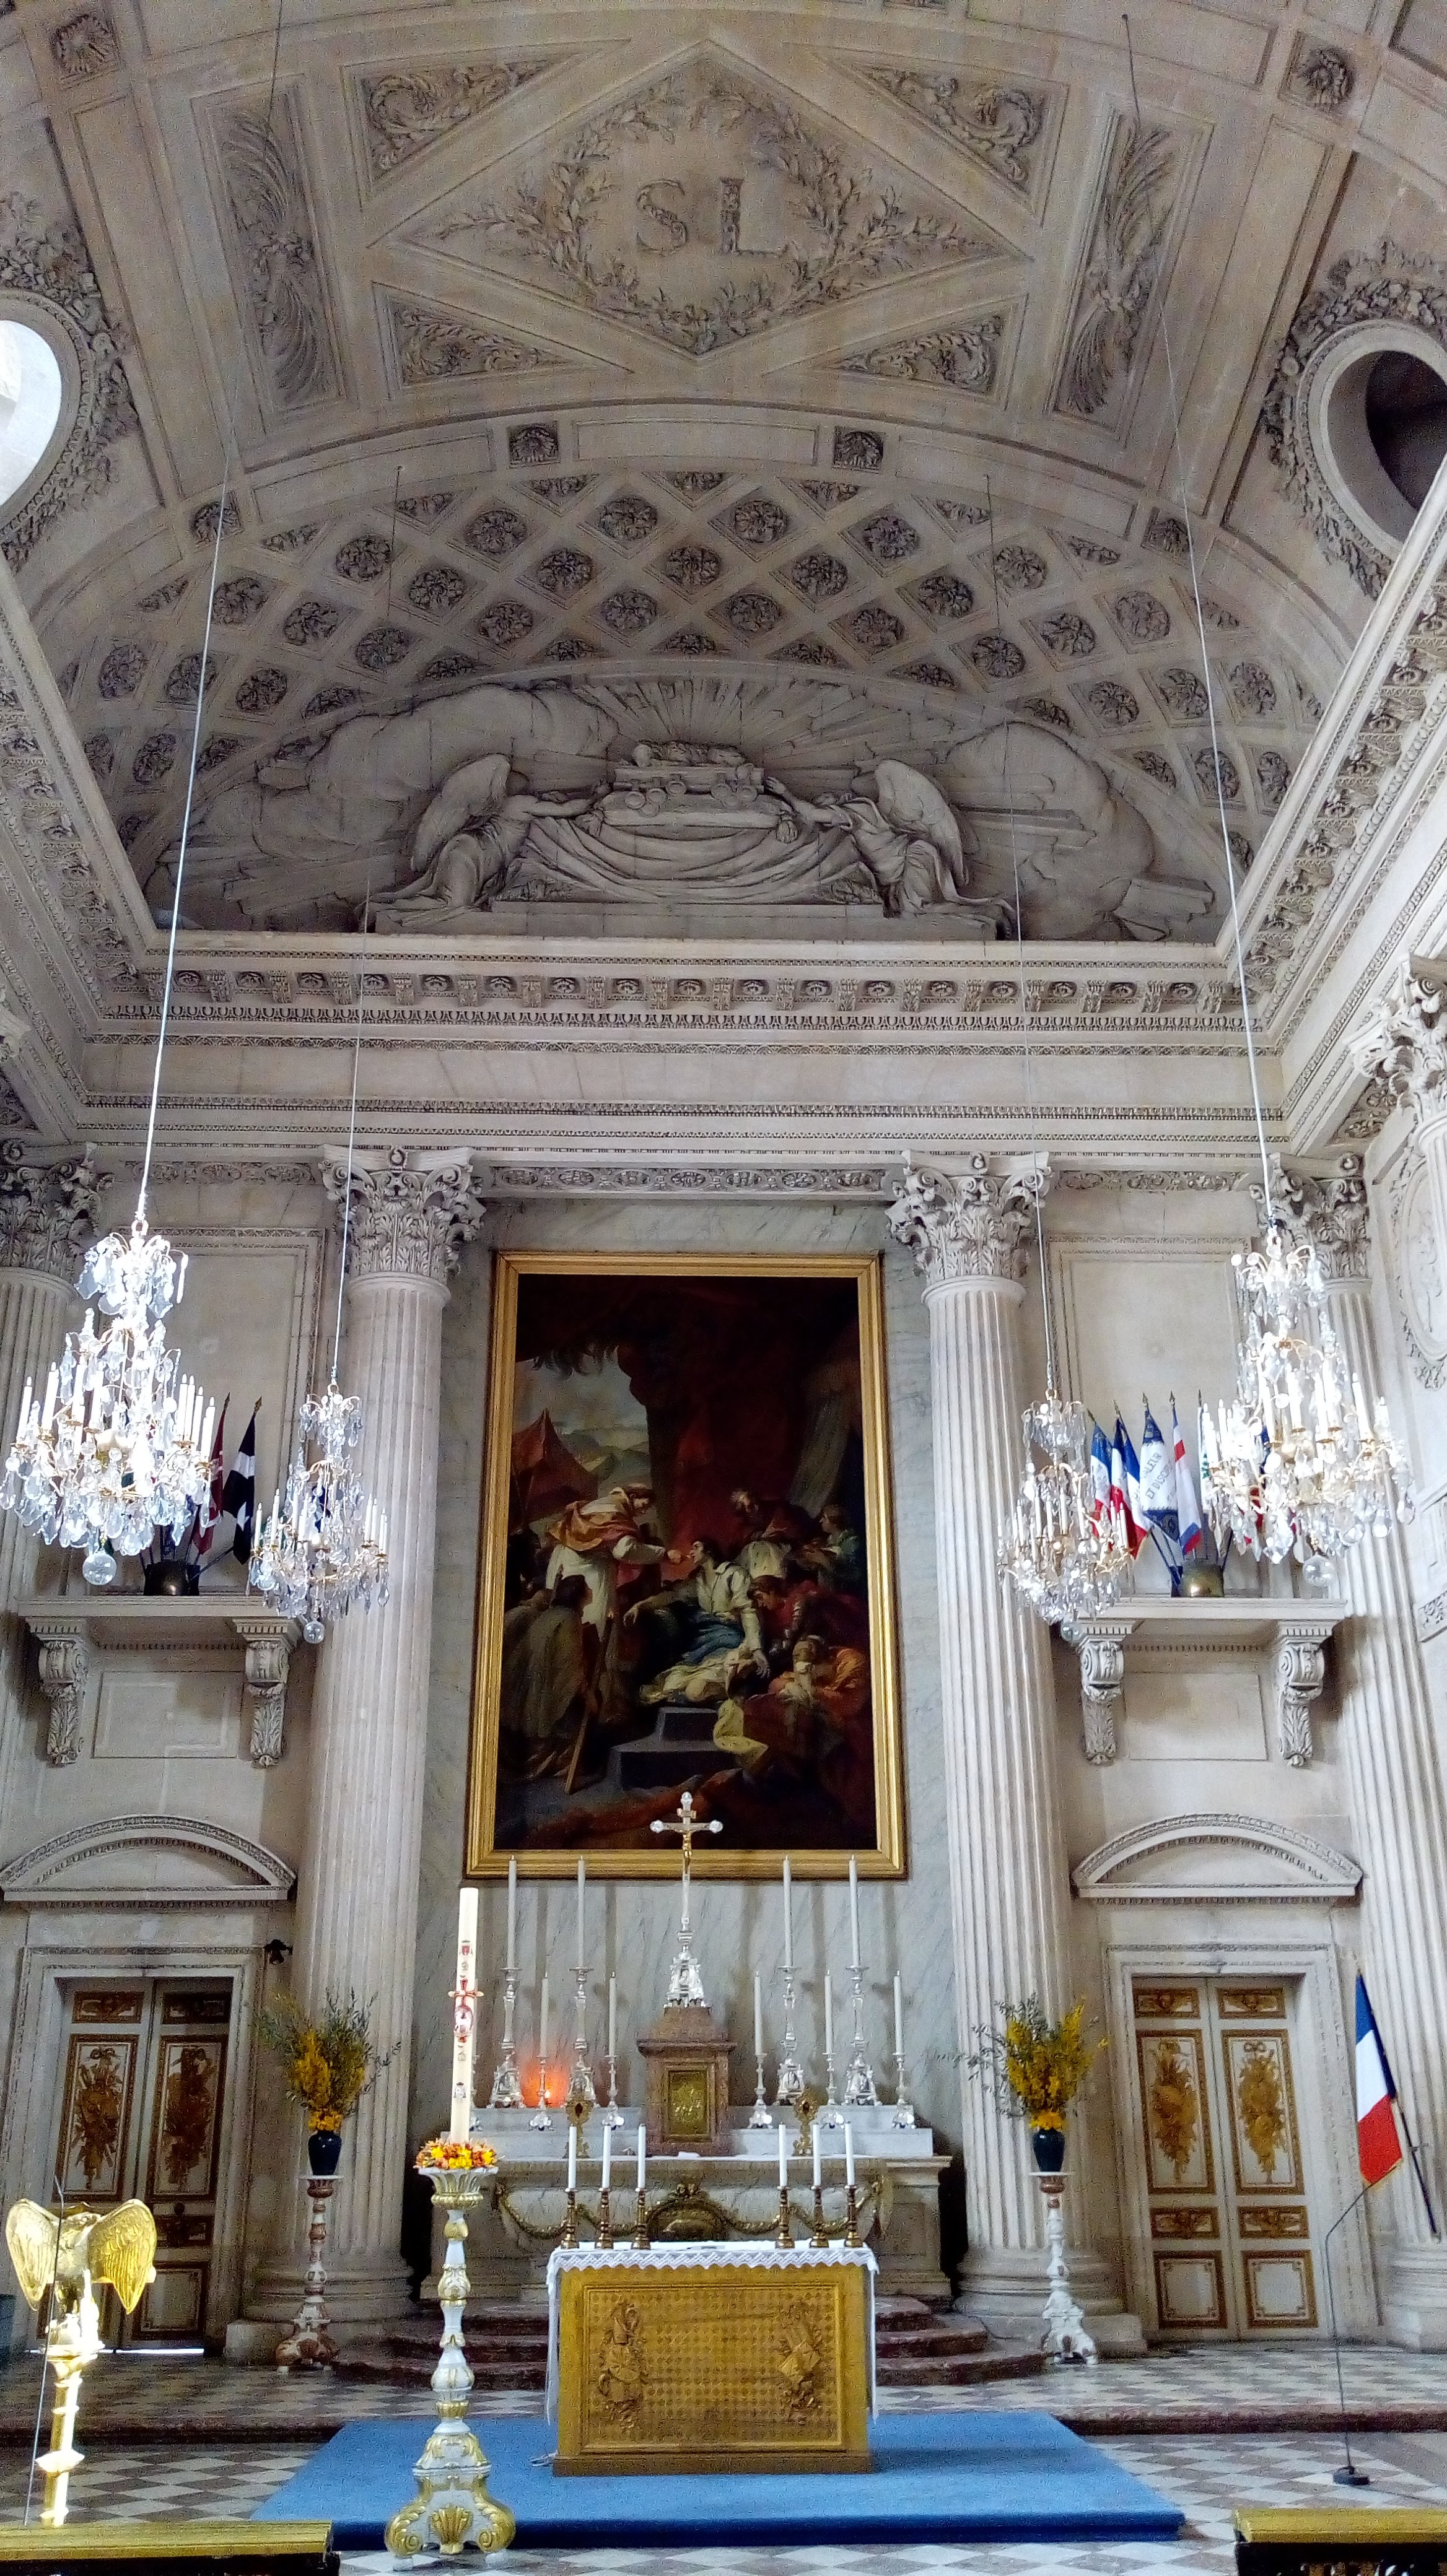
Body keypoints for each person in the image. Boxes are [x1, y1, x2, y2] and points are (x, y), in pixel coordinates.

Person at [627, 1536, 766, 1708]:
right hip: (701, 1647)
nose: (691, 1552)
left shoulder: (735, 1574)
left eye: (696, 1547)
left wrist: (756, 1648)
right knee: (667, 1686)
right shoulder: (698, 1581)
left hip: (729, 1643)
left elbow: (748, 1611)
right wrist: (640, 1606)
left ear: (709, 1551)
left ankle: (729, 1690)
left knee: (695, 1692)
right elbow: (672, 1595)